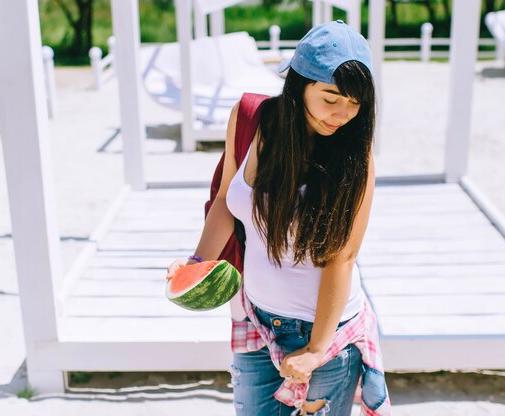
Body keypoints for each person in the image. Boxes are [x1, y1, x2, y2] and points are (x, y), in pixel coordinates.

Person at [166, 20, 389, 416]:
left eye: (355, 103)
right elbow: (224, 201)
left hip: (324, 333)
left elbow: (342, 257)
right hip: (256, 319)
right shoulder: (251, 117)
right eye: (332, 97)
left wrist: (317, 349)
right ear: (300, 84)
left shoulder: (357, 158)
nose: (342, 114)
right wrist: (198, 265)